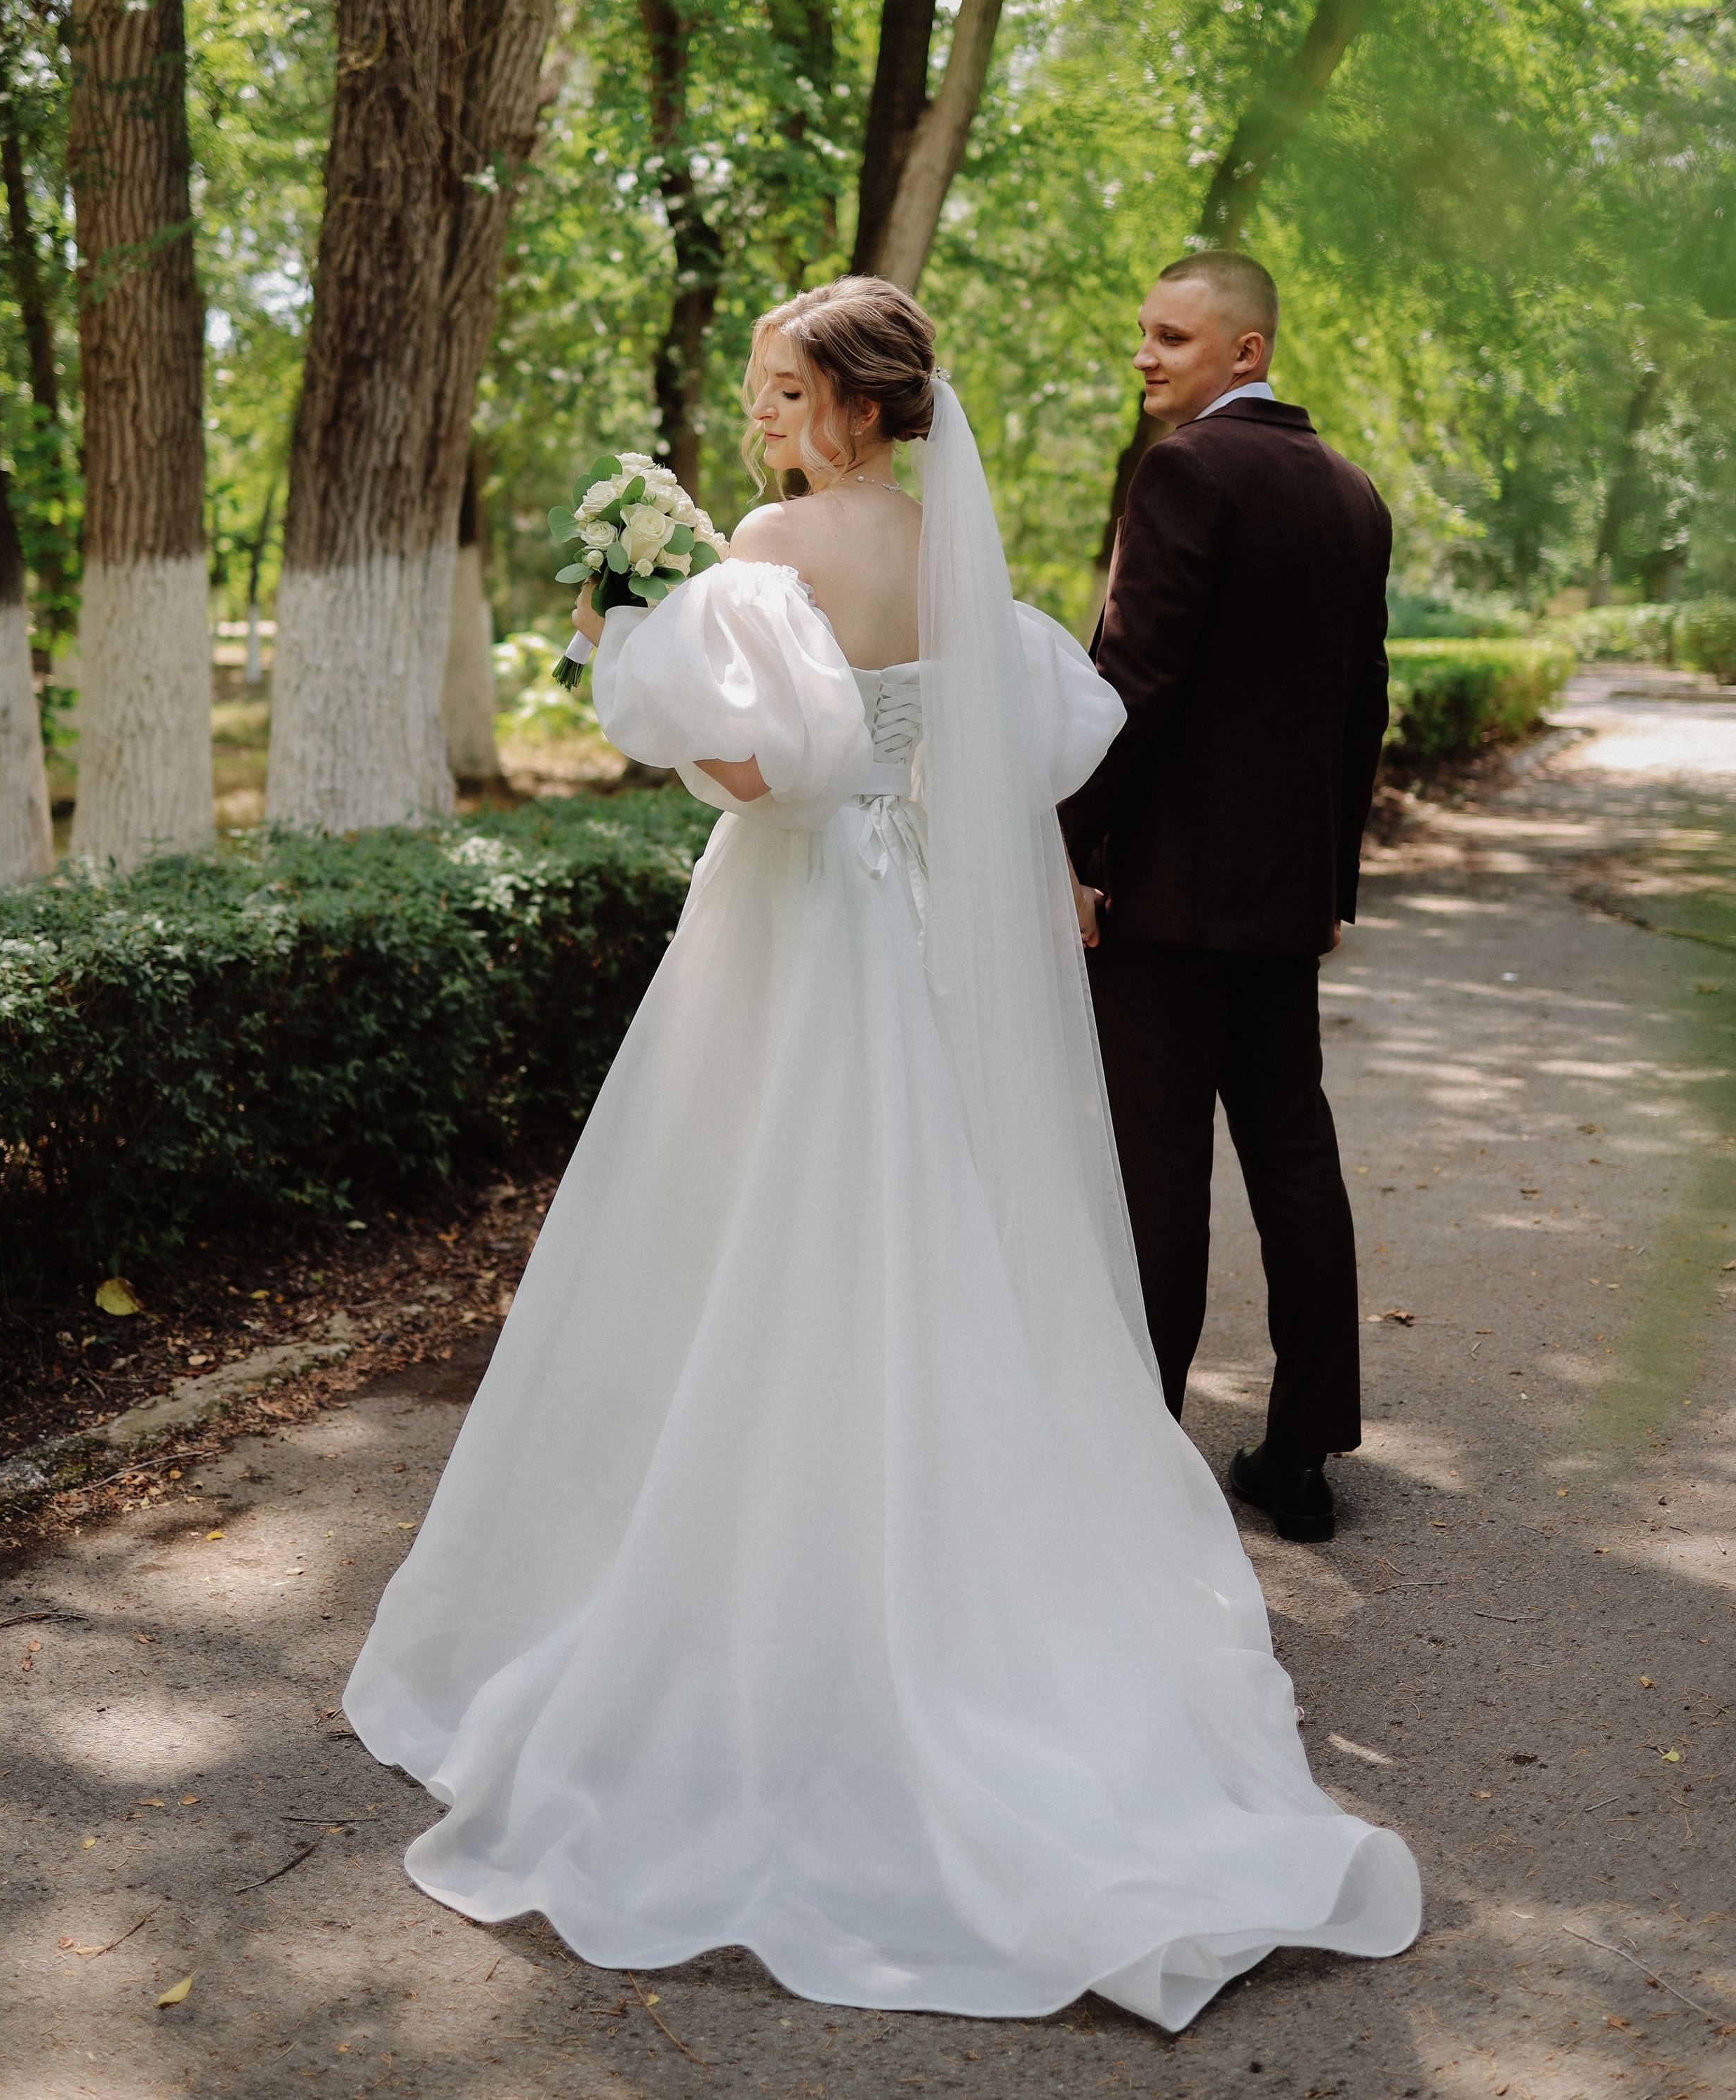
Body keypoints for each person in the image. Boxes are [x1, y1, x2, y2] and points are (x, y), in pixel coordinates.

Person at [345, 275, 1418, 2030]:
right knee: (908, 1233)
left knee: (739, 1230)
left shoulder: (775, 540)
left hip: (788, 928)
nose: (760, 417)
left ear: (848, 401)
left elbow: (763, 777)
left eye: (779, 388)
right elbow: (1021, 739)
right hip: (908, 931)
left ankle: (743, 1592)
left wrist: (631, 631)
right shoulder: (950, 549)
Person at [1059, 252, 1393, 1547]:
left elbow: (1134, 681)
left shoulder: (1190, 470)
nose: (1147, 355)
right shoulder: (1351, 495)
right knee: (1294, 1152)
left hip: (1166, 899)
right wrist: (1331, 881)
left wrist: (1074, 849)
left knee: (1158, 1169)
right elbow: (1362, 708)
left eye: (1174, 336)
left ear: (1245, 352)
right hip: (1279, 900)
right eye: (1142, 331)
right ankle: (1302, 1451)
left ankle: (1141, 1445)